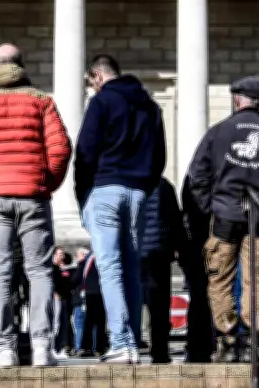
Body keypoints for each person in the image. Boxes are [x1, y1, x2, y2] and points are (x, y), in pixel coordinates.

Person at [0, 52, 71, 367]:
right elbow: (60, 149)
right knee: (40, 272)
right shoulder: (41, 100)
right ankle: (42, 348)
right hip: (32, 194)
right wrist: (46, 184)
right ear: (21, 68)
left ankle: (5, 349)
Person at [188, 76, 259, 363]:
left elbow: (196, 175)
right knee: (255, 279)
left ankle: (227, 335)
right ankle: (250, 338)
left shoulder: (218, 132)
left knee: (220, 277)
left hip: (225, 215)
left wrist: (208, 206)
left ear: (238, 99)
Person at [74, 54, 166, 364]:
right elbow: (160, 155)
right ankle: (133, 343)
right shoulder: (150, 106)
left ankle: (121, 341)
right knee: (131, 269)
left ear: (97, 76)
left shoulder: (102, 102)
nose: (91, 88)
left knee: (110, 268)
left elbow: (85, 150)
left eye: (90, 82)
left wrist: (82, 192)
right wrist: (145, 186)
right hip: (138, 192)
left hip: (106, 188)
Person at [141, 176, 183, 363]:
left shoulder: (124, 179)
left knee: (132, 300)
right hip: (158, 250)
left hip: (134, 251)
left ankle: (128, 346)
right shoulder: (163, 184)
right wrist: (177, 246)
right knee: (159, 304)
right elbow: (174, 218)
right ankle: (159, 350)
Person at [178, 176, 215, 363]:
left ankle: (197, 346)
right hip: (209, 242)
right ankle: (204, 344)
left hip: (194, 245)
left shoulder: (193, 178)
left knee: (199, 298)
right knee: (206, 297)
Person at [71, 247, 108, 357]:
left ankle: (93, 347)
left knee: (94, 321)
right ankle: (93, 347)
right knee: (95, 321)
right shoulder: (93, 256)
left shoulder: (92, 257)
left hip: (95, 291)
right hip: (95, 291)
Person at [52, 248, 74, 359]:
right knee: (55, 324)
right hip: (55, 298)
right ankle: (53, 348)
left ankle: (60, 348)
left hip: (64, 299)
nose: (62, 256)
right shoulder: (52, 268)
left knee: (63, 324)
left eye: (63, 254)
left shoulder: (64, 268)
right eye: (60, 254)